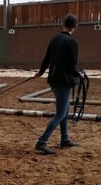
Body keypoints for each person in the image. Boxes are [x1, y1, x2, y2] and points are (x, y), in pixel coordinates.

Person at [33, 13, 81, 155]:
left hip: (54, 80)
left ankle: (65, 139)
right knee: (60, 114)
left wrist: (40, 72)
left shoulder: (55, 39)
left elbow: (46, 58)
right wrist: (79, 74)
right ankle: (42, 142)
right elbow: (72, 66)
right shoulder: (72, 42)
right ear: (75, 26)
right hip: (63, 82)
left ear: (63, 24)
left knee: (64, 111)